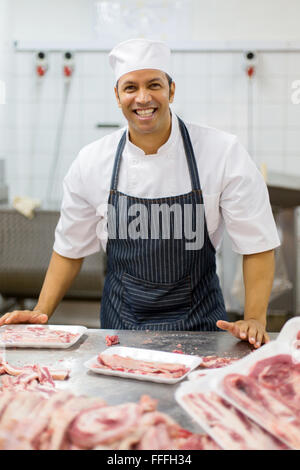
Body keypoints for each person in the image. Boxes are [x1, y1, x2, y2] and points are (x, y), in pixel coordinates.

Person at [0, 38, 280, 348]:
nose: (143, 98)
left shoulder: (222, 153)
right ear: (117, 95)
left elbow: (256, 242)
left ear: (171, 90)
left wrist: (255, 317)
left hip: (202, 329)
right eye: (130, 87)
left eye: (154, 85)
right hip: (122, 331)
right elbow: (69, 248)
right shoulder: (92, 162)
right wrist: (41, 313)